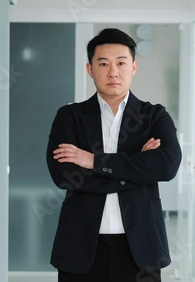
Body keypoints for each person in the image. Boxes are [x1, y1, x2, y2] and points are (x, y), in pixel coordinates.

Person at [46, 28, 182, 282]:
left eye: (121, 63)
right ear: (90, 69)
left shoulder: (154, 116)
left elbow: (166, 166)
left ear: (134, 67)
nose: (113, 72)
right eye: (103, 64)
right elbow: (65, 176)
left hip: (141, 251)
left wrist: (93, 161)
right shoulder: (69, 117)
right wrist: (138, 168)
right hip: (80, 248)